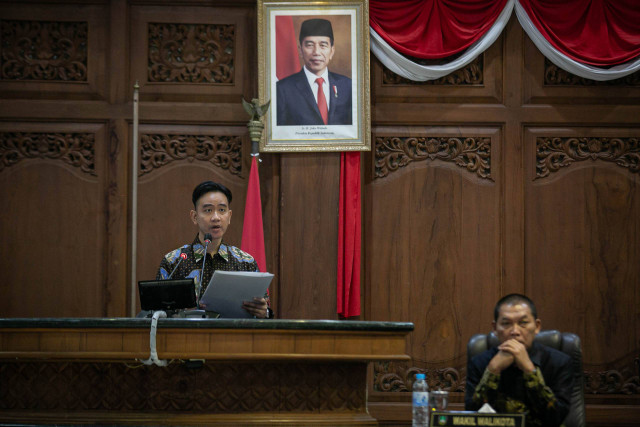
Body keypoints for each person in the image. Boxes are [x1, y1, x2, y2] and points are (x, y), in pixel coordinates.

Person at [156, 181, 272, 318]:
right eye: (208, 210)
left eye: (222, 210)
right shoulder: (174, 261)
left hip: (233, 338)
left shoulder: (245, 262)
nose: (216, 217)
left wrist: (264, 312)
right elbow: (156, 314)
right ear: (194, 216)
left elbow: (265, 310)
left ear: (229, 216)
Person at [465, 294, 573, 427]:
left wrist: (530, 370)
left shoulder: (559, 362)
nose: (515, 331)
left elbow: (556, 418)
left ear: (537, 326)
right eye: (506, 324)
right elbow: (471, 418)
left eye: (523, 323)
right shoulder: (480, 362)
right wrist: (492, 371)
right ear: (494, 328)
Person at [276, 18, 352, 126]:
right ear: (300, 50)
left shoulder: (348, 86)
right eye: (310, 45)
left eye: (323, 45)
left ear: (332, 51)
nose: (316, 52)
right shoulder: (282, 89)